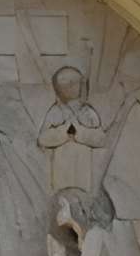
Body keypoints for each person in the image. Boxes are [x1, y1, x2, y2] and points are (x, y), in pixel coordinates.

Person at [35, 61, 106, 192]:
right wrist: (64, 132)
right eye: (65, 84)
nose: (71, 87)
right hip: (61, 173)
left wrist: (80, 132)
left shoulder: (88, 112)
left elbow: (101, 139)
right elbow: (42, 139)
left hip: (84, 174)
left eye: (75, 83)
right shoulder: (55, 112)